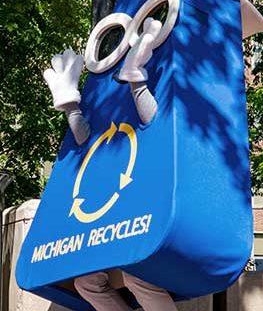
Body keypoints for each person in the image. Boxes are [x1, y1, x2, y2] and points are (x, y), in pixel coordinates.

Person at [42, 18, 174, 311]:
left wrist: (138, 81)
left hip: (141, 209)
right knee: (86, 282)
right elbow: (85, 141)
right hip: (108, 215)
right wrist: (70, 106)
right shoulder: (103, 136)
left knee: (136, 275)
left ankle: (136, 75)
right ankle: (135, 74)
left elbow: (153, 128)